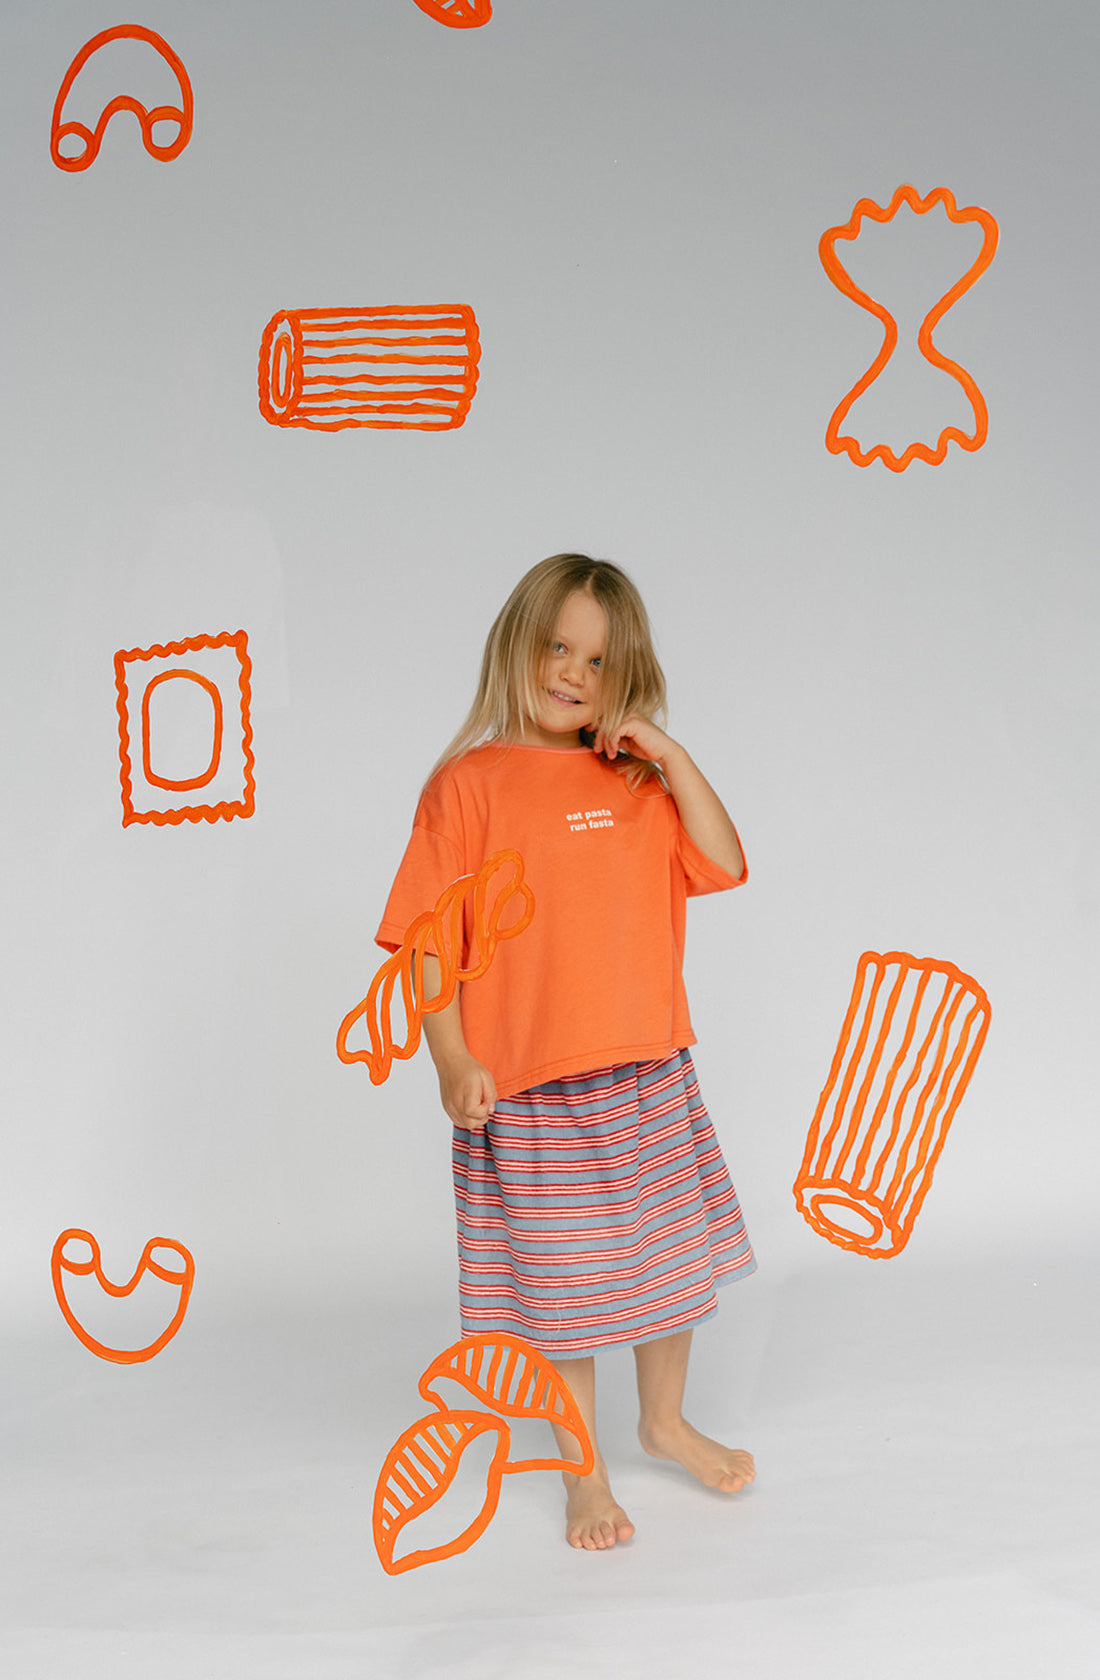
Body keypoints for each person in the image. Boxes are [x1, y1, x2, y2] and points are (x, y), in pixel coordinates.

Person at [376, 553, 756, 1551]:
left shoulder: (634, 784)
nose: (572, 672)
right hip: (535, 1091)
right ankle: (583, 1474)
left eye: (596, 659)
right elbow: (426, 945)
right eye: (557, 646)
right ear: (518, 644)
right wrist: (451, 1059)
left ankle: (662, 1421)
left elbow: (723, 860)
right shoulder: (468, 787)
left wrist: (666, 754)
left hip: (648, 1071)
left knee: (668, 1269)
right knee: (566, 1295)